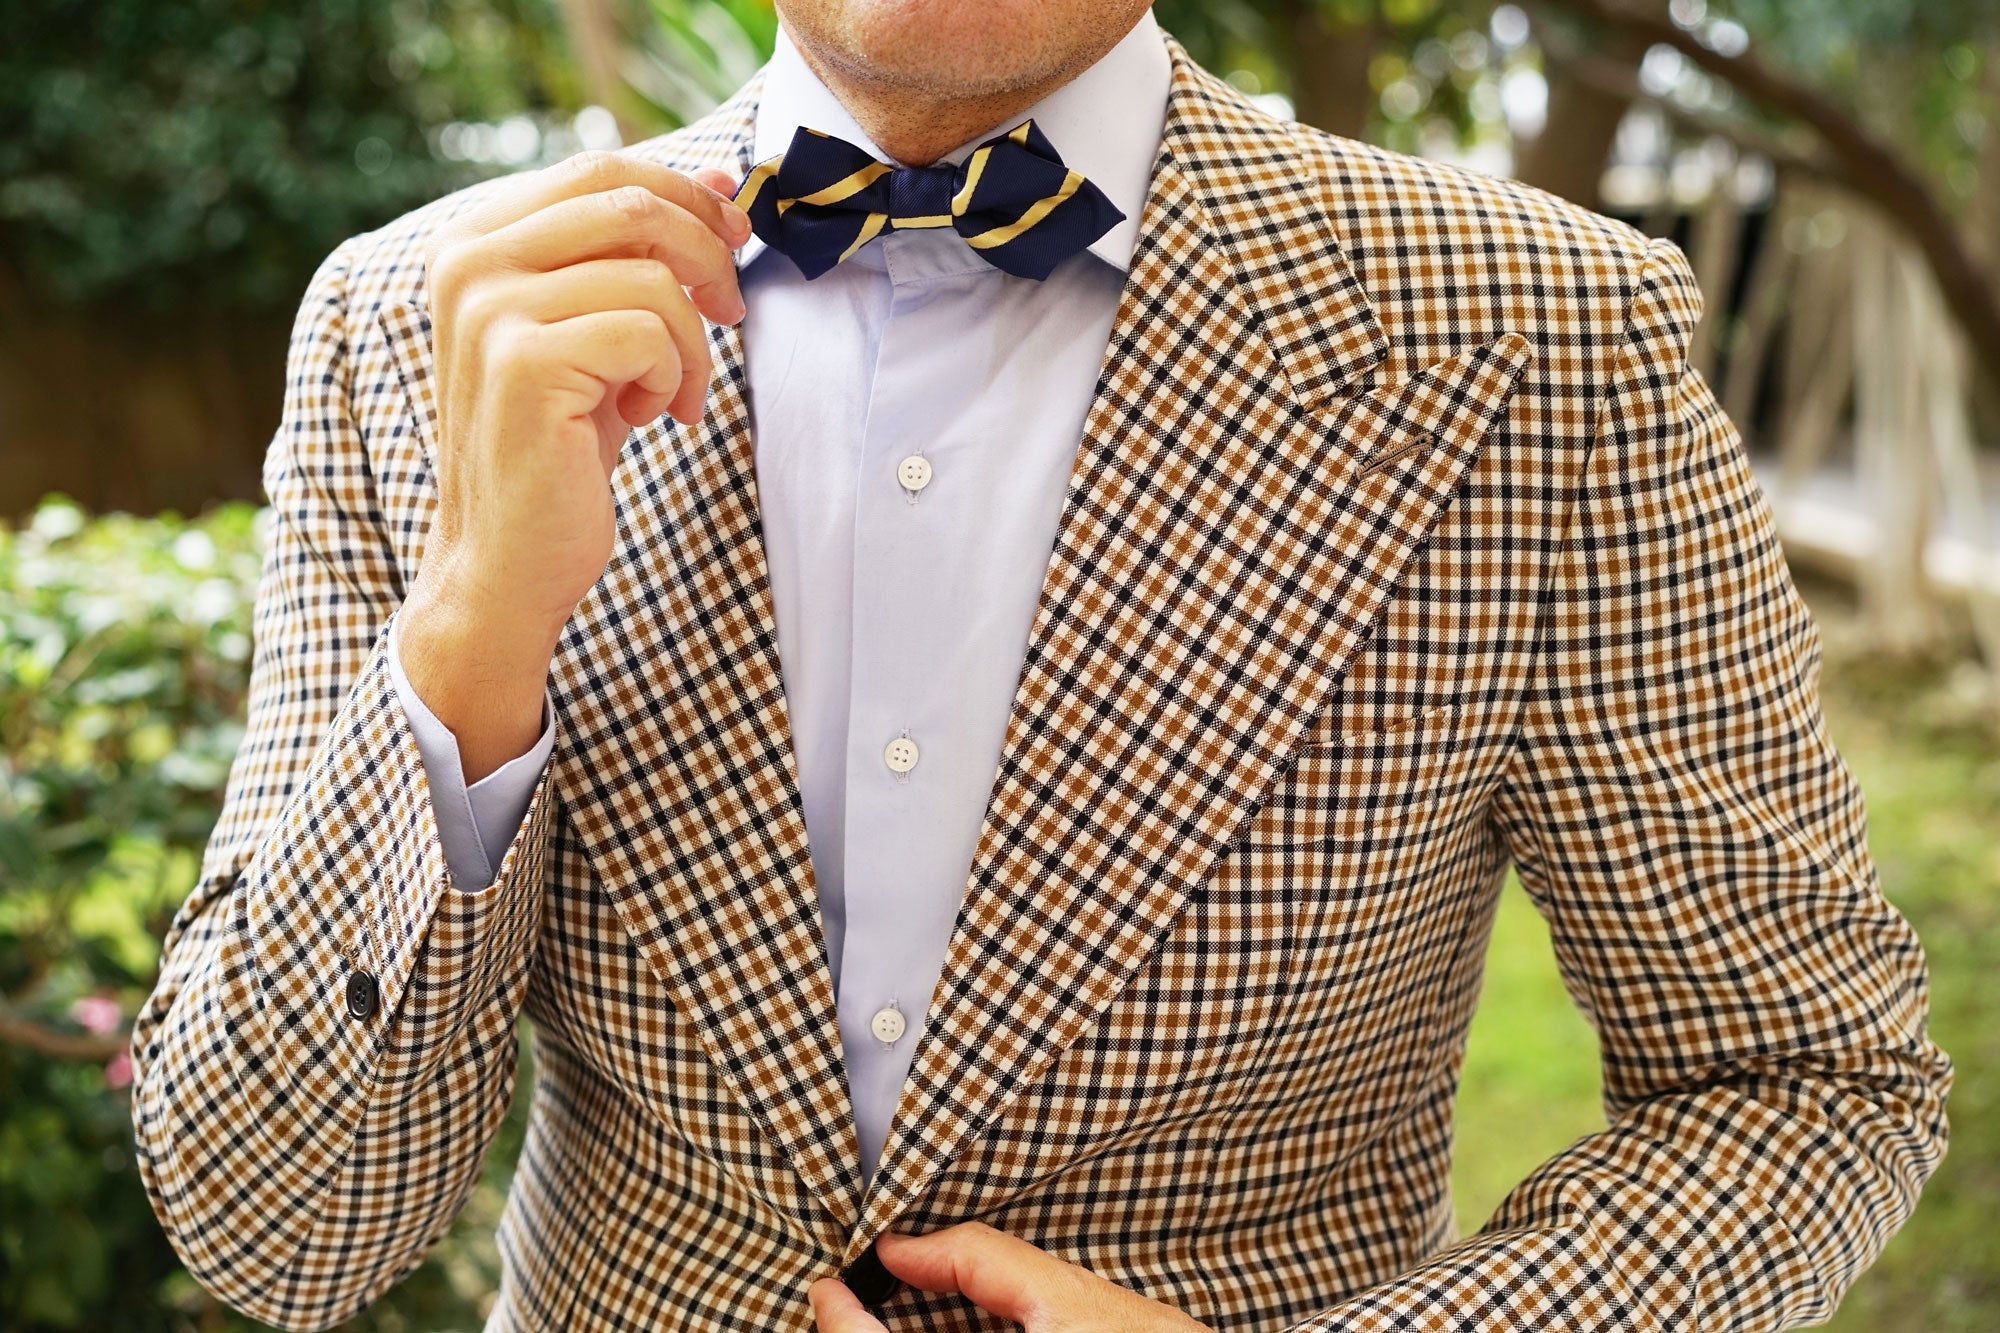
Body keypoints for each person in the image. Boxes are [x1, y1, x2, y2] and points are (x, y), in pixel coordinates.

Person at [130, 2, 1952, 1329]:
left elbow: (1802, 1085)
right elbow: (277, 1228)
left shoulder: (1550, 339)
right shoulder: (412, 320)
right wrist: (468, 631)